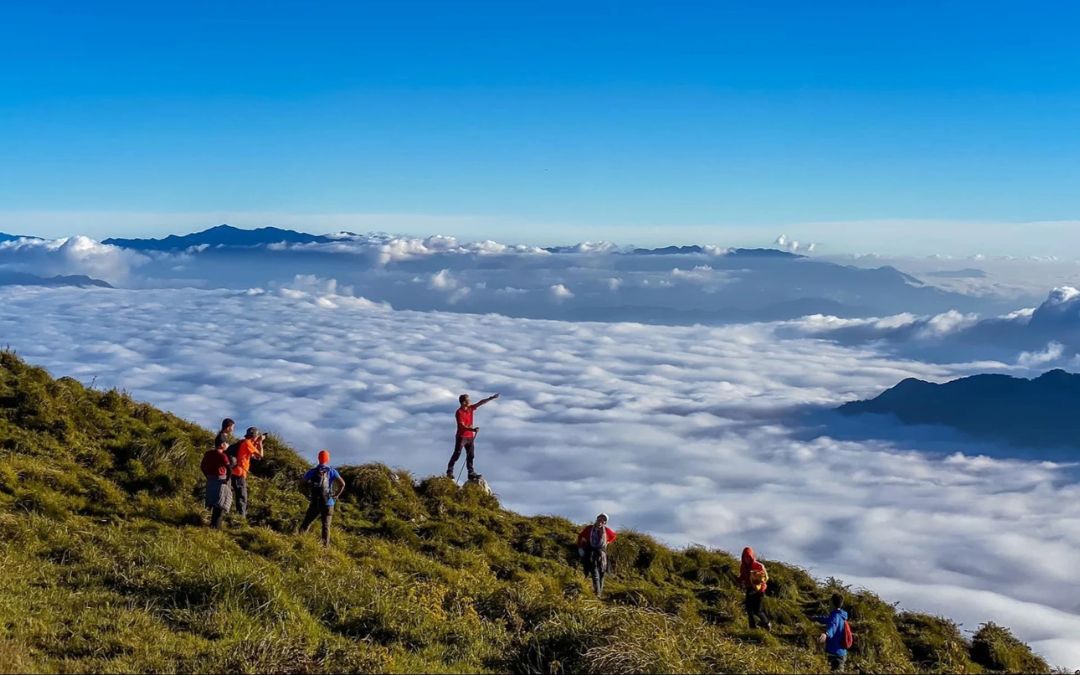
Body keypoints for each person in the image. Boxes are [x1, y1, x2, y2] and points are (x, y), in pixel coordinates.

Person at [299, 450, 346, 547]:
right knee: (326, 526)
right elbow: (342, 484)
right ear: (328, 459)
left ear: (318, 458)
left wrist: (306, 494)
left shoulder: (312, 472)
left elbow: (301, 483)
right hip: (328, 502)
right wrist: (336, 495)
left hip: (315, 501)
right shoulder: (332, 471)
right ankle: (325, 548)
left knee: (307, 522)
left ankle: (300, 542)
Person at [447, 393, 499, 480]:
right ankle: (449, 471)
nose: (470, 402)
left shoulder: (470, 409)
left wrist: (491, 398)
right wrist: (473, 430)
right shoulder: (459, 412)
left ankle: (470, 473)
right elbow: (461, 426)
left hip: (470, 437)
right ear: (464, 402)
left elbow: (480, 403)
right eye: (468, 400)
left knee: (471, 455)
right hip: (462, 436)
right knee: (457, 454)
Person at [577, 513, 617, 597]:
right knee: (595, 573)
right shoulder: (589, 529)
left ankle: (599, 593)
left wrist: (607, 541)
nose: (601, 521)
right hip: (591, 553)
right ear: (597, 519)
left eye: (603, 520)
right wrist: (581, 546)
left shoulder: (606, 531)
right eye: (600, 518)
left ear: (605, 522)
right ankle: (597, 593)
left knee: (601, 574)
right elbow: (581, 536)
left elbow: (613, 536)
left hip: (602, 554)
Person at [230, 427, 265, 519]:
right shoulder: (247, 443)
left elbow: (254, 456)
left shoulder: (244, 442)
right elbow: (260, 455)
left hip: (236, 471)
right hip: (239, 472)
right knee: (242, 496)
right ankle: (241, 518)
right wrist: (260, 442)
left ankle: (238, 515)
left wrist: (257, 442)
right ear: (254, 436)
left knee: (239, 495)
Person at [200, 435, 233, 527]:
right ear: (222, 444)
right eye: (226, 443)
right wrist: (227, 480)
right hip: (220, 479)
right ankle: (216, 527)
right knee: (221, 504)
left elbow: (202, 466)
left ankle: (212, 525)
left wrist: (207, 476)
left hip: (210, 480)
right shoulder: (222, 455)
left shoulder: (208, 453)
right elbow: (230, 469)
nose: (227, 444)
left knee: (214, 502)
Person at [816, 592, 851, 671]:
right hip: (842, 653)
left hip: (835, 654)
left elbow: (833, 626)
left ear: (832, 602)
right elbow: (828, 620)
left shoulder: (835, 616)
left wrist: (826, 634)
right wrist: (815, 618)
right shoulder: (841, 615)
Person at [739, 546, 771, 630]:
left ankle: (767, 623)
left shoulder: (759, 565)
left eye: (748, 557)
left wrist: (758, 580)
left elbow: (766, 578)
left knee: (757, 610)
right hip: (749, 589)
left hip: (759, 590)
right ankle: (752, 628)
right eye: (745, 557)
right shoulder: (743, 566)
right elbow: (742, 577)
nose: (747, 559)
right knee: (749, 610)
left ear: (752, 557)